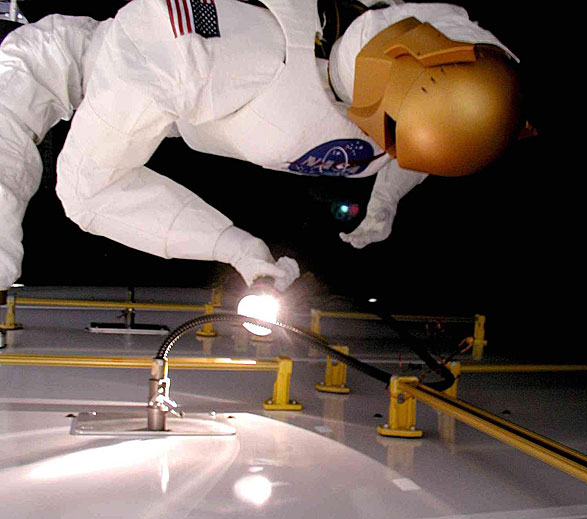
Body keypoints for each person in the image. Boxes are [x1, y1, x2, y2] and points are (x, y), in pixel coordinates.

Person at [0, 0, 521, 298]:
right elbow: (92, 189)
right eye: (387, 133)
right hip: (102, 66)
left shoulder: (449, 69)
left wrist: (384, 199)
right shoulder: (215, 52)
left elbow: (431, 138)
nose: (383, 146)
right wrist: (234, 248)